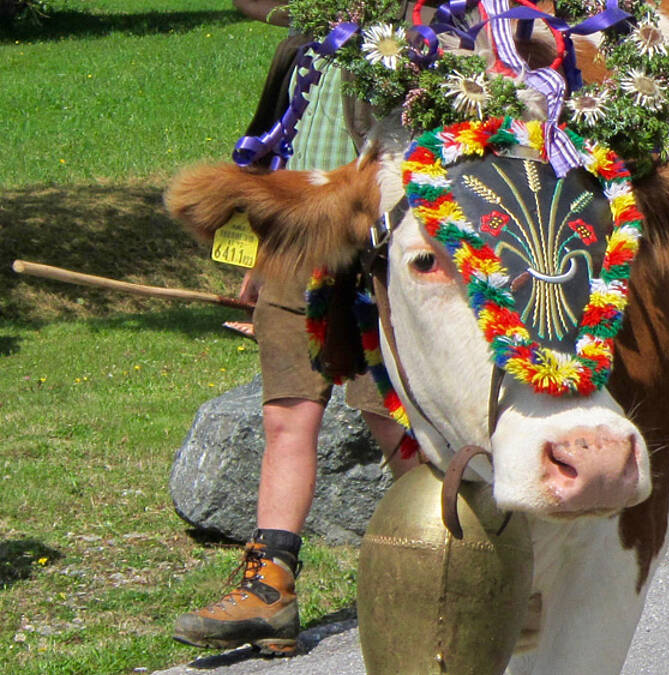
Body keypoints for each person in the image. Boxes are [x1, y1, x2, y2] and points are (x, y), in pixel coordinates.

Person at [172, 0, 415, 655]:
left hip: (378, 241)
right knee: (286, 415)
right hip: (293, 240)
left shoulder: (418, 33)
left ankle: (461, 554)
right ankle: (270, 586)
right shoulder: (311, 33)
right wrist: (256, 257)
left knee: (393, 417)